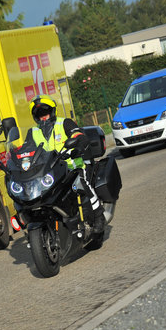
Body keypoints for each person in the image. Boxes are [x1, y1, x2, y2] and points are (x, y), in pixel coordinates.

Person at [26, 95, 105, 232]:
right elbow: (27, 150)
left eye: (45, 113)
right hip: (50, 172)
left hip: (73, 166)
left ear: (52, 112)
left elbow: (79, 135)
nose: (43, 117)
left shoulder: (64, 123)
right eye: (40, 115)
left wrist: (77, 141)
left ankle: (99, 216)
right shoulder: (33, 132)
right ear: (36, 117)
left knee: (83, 184)